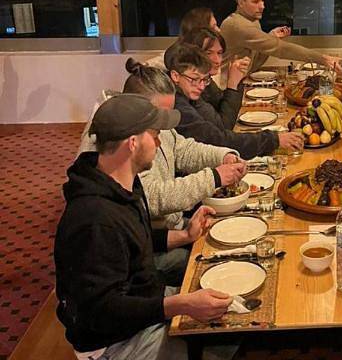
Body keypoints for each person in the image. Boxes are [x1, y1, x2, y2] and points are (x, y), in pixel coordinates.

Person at [55, 94, 252, 360]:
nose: (160, 142)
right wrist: (177, 304)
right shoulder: (94, 219)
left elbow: (138, 243)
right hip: (111, 346)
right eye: (154, 134)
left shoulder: (120, 182)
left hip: (143, 307)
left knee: (234, 321)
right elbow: (101, 311)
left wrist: (184, 236)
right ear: (133, 143)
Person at [79, 60, 247, 284]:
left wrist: (223, 156)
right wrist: (215, 177)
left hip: (164, 233)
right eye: (159, 119)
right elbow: (153, 198)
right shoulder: (119, 153)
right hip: (146, 250)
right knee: (206, 265)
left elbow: (183, 149)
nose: (163, 129)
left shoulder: (151, 129)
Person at [168, 42, 303, 156]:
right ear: (175, 76)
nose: (201, 86)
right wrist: (273, 139)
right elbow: (218, 139)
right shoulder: (176, 105)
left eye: (204, 79)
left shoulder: (187, 92)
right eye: (194, 79)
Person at [219, 0, 342, 74]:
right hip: (225, 90)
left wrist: (271, 37)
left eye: (262, 1)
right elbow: (282, 49)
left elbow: (256, 60)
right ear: (241, 2)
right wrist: (324, 59)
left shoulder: (252, 20)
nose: (262, 6)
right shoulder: (238, 25)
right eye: (256, 2)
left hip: (239, 82)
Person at [180, 27, 250, 130]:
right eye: (208, 53)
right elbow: (223, 127)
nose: (217, 60)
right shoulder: (190, 86)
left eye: (219, 53)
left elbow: (223, 108)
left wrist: (237, 79)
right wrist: (232, 84)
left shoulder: (206, 79)